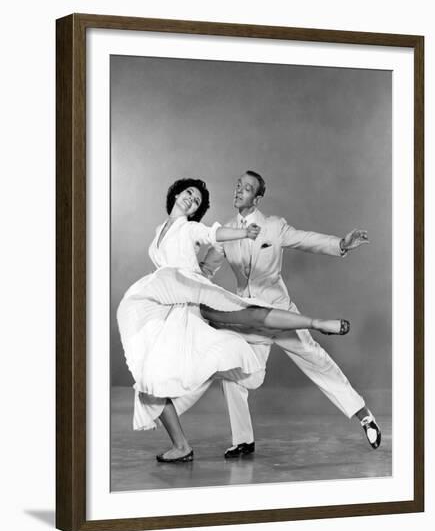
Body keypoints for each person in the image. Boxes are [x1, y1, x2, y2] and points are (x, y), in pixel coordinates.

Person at [117, 178, 351, 463]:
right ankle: (181, 446)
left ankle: (316, 324)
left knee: (247, 311)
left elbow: (213, 234)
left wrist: (242, 234)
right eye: (189, 193)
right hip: (168, 303)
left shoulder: (190, 228)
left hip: (191, 298)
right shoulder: (158, 232)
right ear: (177, 193)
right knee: (148, 381)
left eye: (198, 201)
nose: (192, 199)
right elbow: (201, 262)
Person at [200, 170, 381, 459]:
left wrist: (341, 244)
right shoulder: (226, 232)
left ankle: (364, 417)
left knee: (318, 362)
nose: (239, 191)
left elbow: (306, 240)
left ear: (257, 198)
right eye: (238, 186)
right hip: (248, 319)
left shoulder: (274, 226)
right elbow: (206, 270)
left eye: (246, 188)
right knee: (233, 373)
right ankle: (243, 440)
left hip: (281, 315)